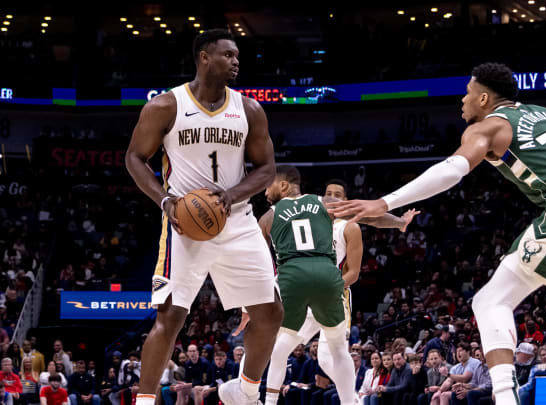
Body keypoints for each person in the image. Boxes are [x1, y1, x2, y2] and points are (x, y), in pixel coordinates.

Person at [328, 62, 546, 405]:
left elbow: (453, 169)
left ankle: (504, 397)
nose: (463, 100)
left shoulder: (488, 127)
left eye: (468, 92)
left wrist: (384, 201)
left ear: (484, 98)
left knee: (489, 302)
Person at [125, 28, 283, 405]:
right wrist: (165, 201)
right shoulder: (166, 106)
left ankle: (242, 391)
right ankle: (145, 401)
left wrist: (231, 194)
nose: (236, 61)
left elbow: (266, 169)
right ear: (204, 57)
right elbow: (134, 158)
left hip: (238, 219)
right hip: (183, 224)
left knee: (271, 313)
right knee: (170, 317)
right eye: (228, 54)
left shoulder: (248, 109)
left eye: (237, 55)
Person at [256, 167, 414, 405]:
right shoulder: (321, 210)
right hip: (323, 282)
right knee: (320, 354)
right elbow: (370, 214)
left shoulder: (346, 224)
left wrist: (398, 222)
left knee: (307, 350)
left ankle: (348, 401)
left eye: (338, 195)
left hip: (323, 286)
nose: (333, 197)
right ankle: (350, 399)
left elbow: (357, 258)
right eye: (330, 192)